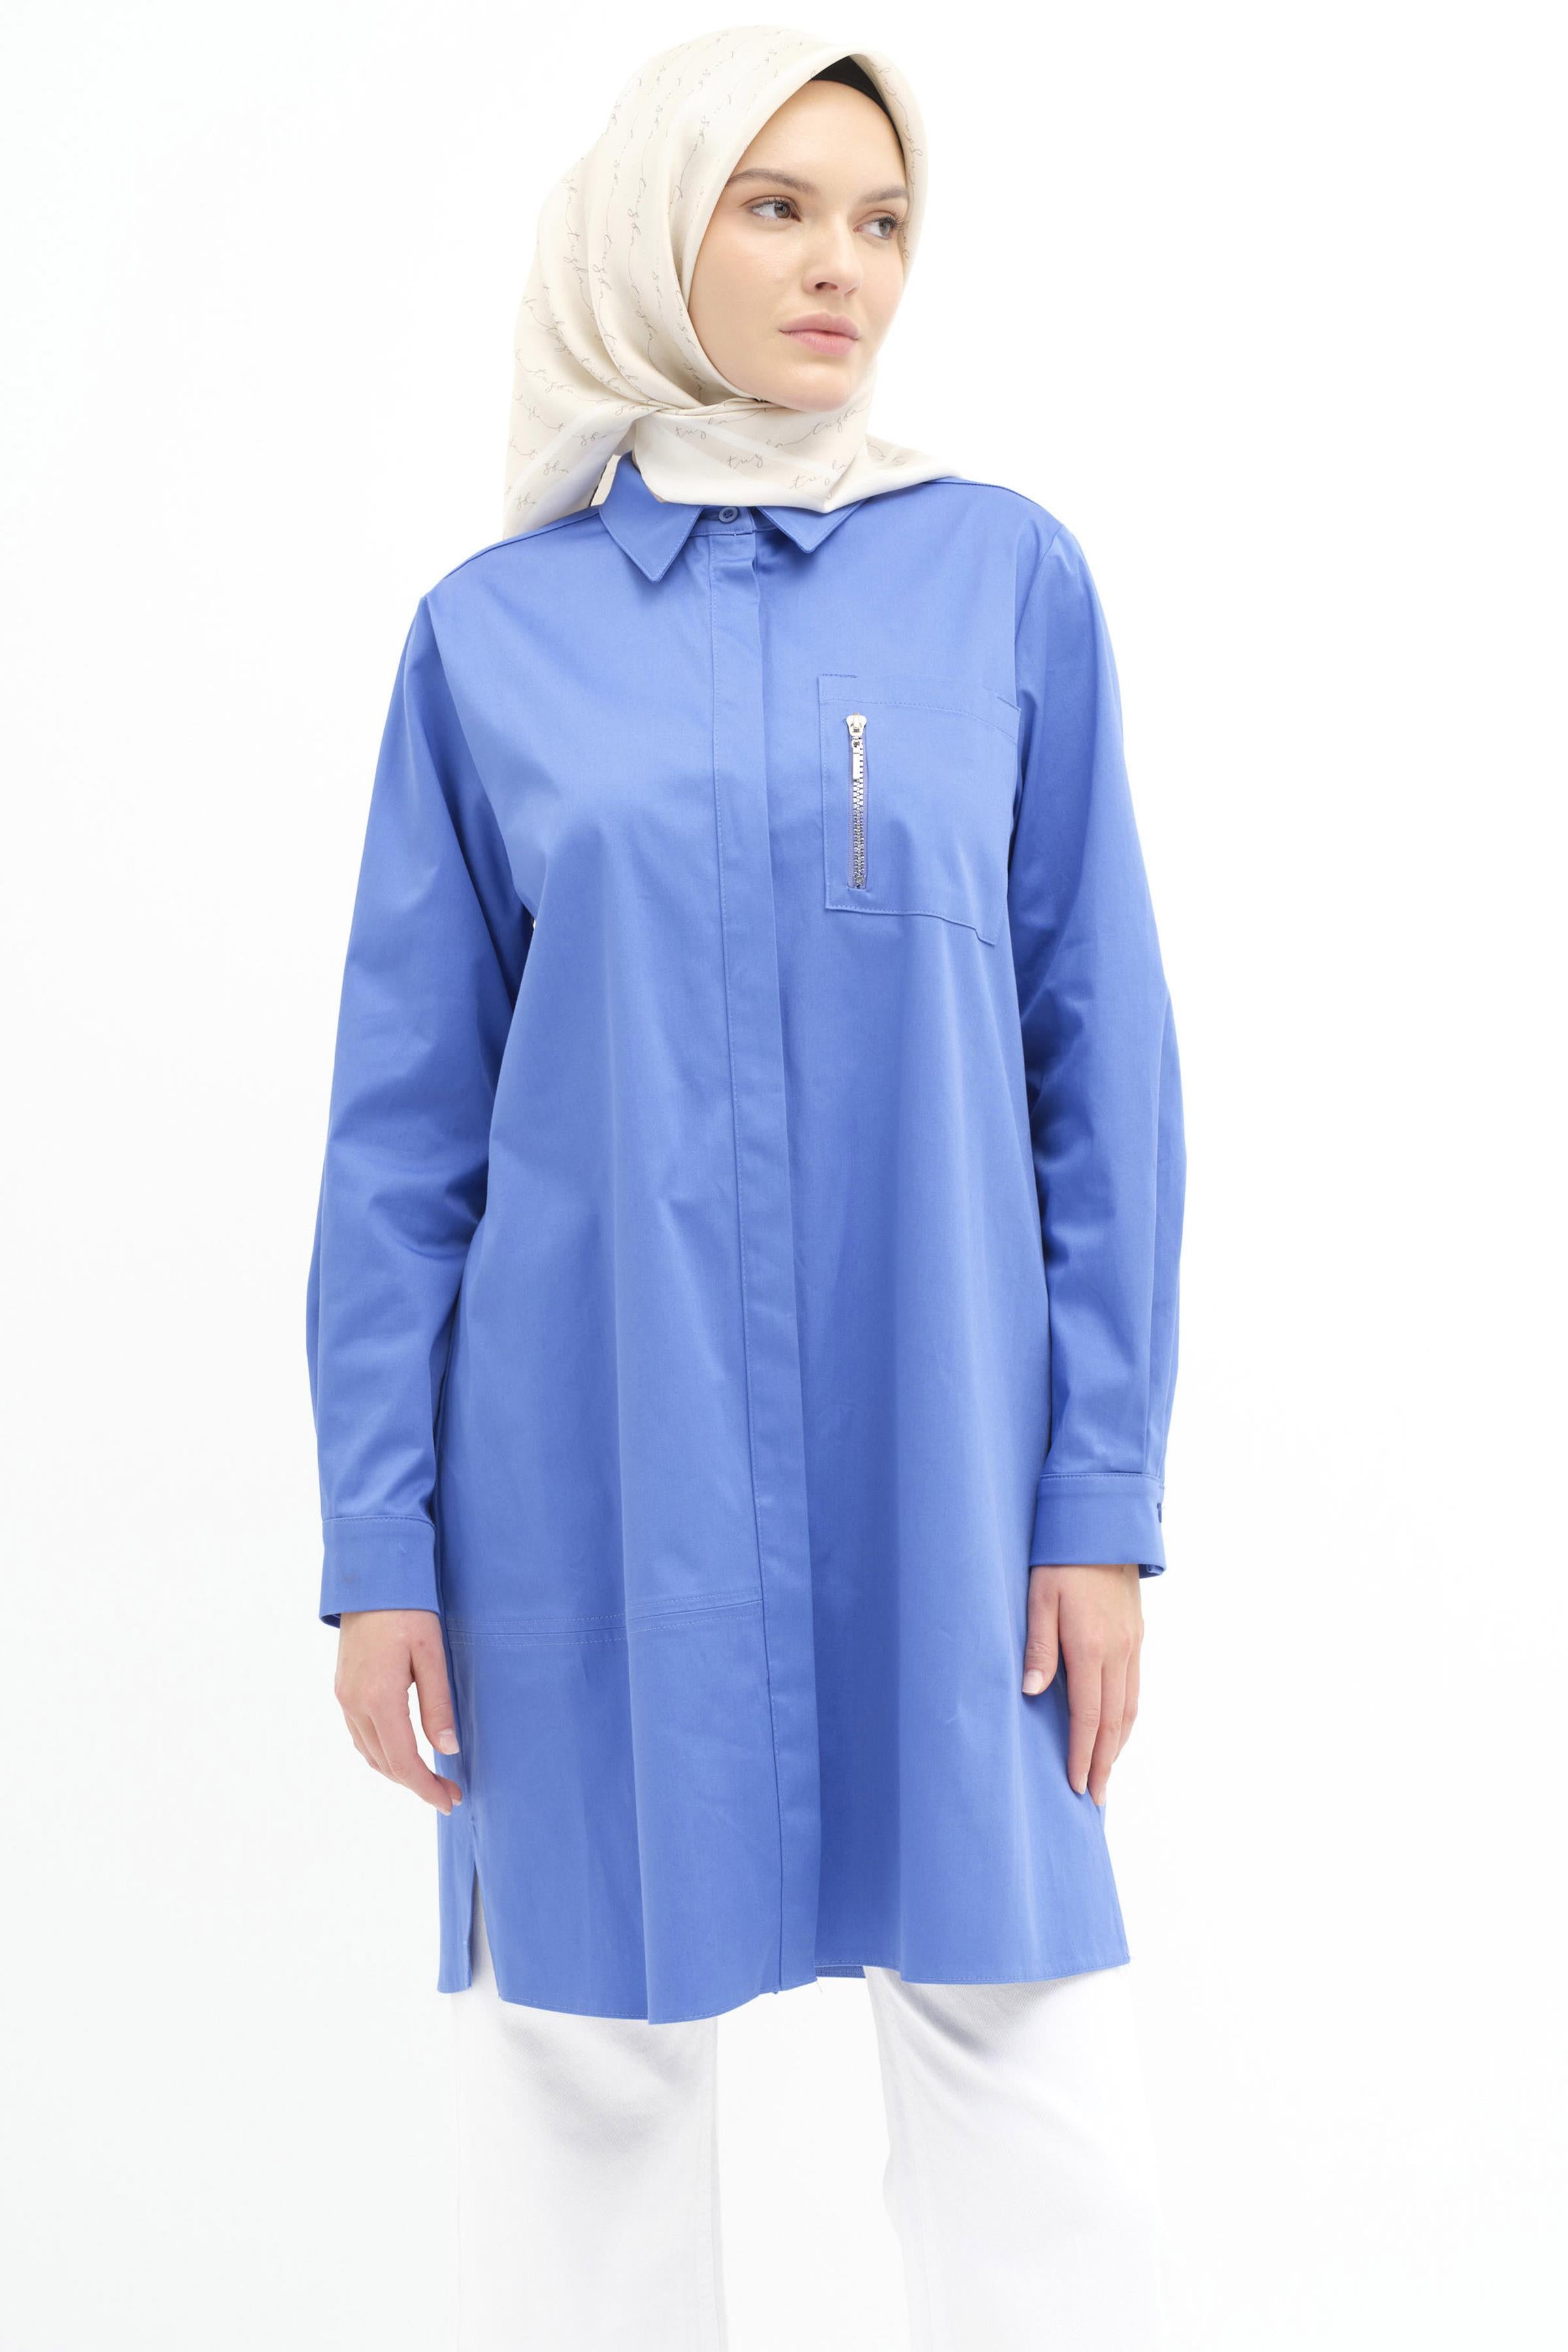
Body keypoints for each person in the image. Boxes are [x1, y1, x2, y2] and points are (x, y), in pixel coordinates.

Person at [306, 25, 1186, 2350]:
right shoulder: (489, 641)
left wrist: (1098, 1498)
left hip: (948, 1466)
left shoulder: (1002, 582)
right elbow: (403, 1136)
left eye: (880, 220)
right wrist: (381, 1542)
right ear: (651, 230)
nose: (841, 268)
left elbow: (1102, 1068)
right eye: (776, 207)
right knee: (581, 2081)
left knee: (1033, 2072)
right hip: (589, 1475)